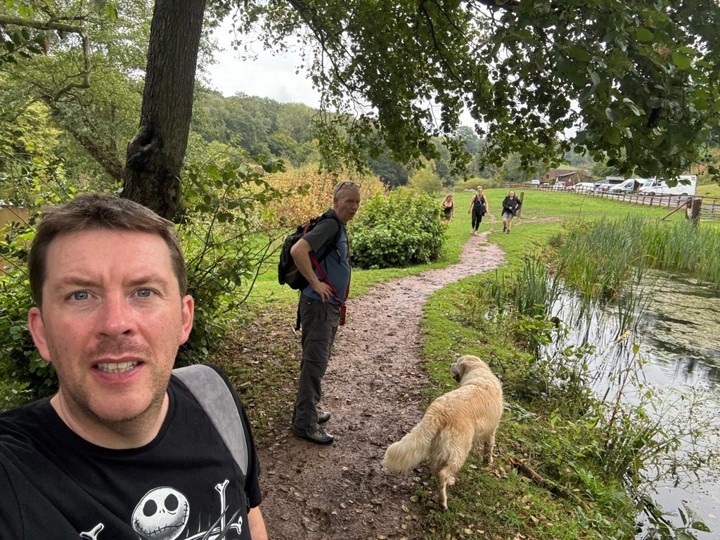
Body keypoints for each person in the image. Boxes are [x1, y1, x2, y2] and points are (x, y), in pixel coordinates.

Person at [0, 194, 268, 539]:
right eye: (80, 295)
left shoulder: (214, 399)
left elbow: (249, 515)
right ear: (41, 332)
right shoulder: (12, 472)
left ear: (184, 319)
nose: (115, 324)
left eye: (144, 292)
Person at [290, 180, 361, 445]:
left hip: (326, 307)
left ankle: (307, 411)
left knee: (316, 362)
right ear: (336, 201)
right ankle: (305, 425)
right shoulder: (330, 225)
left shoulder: (337, 225)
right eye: (349, 201)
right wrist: (316, 283)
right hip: (318, 306)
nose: (353, 207)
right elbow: (298, 251)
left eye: (357, 202)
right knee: (315, 363)